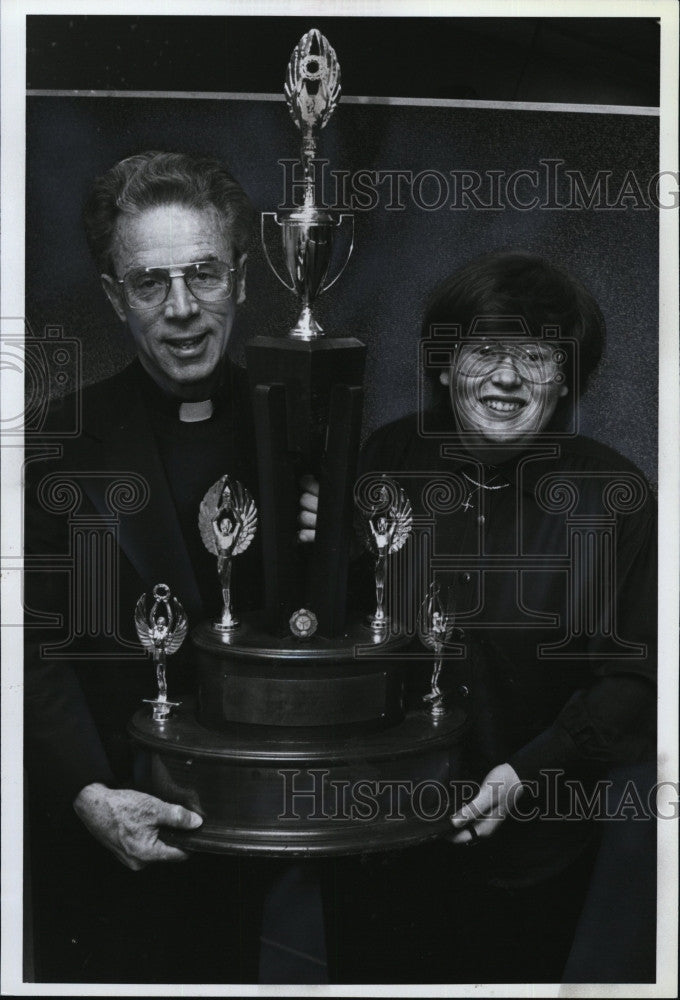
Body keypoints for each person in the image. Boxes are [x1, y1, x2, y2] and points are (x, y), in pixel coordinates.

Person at [299, 251, 657, 983]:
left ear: (567, 378)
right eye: (485, 350)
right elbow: (339, 637)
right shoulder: (385, 458)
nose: (506, 377)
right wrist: (314, 549)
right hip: (377, 836)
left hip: (531, 851)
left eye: (536, 355)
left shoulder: (613, 495)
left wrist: (526, 773)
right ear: (442, 363)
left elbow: (636, 680)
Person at [23, 151, 288, 983]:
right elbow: (25, 651)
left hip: (257, 837)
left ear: (242, 279)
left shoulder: (305, 431)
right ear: (113, 296)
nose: (182, 309)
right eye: (149, 283)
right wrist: (89, 794)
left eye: (204, 274)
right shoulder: (50, 442)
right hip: (105, 836)